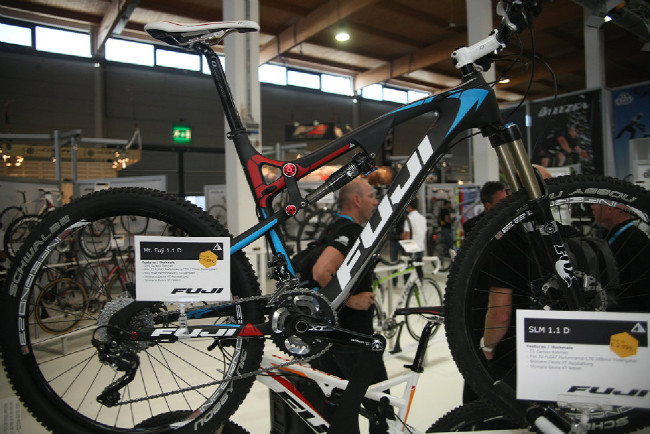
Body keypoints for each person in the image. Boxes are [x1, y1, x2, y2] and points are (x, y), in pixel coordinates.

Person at [310, 178, 388, 433]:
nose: (375, 201)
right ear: (356, 200)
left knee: (337, 415)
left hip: (326, 338)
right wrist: (351, 300)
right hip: (353, 339)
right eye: (371, 196)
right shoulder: (352, 232)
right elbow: (321, 271)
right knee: (381, 407)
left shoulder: (332, 229)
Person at [591, 203, 650, 311]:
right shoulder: (615, 235)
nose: (592, 207)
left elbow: (643, 286)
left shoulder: (634, 240)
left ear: (610, 208)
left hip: (631, 314)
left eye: (596, 203)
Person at [401, 198, 427, 278]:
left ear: (409, 207)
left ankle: (408, 284)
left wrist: (403, 239)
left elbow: (407, 235)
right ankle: (420, 284)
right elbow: (425, 232)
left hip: (411, 247)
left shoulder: (409, 218)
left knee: (408, 270)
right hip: (420, 247)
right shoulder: (422, 218)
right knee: (419, 268)